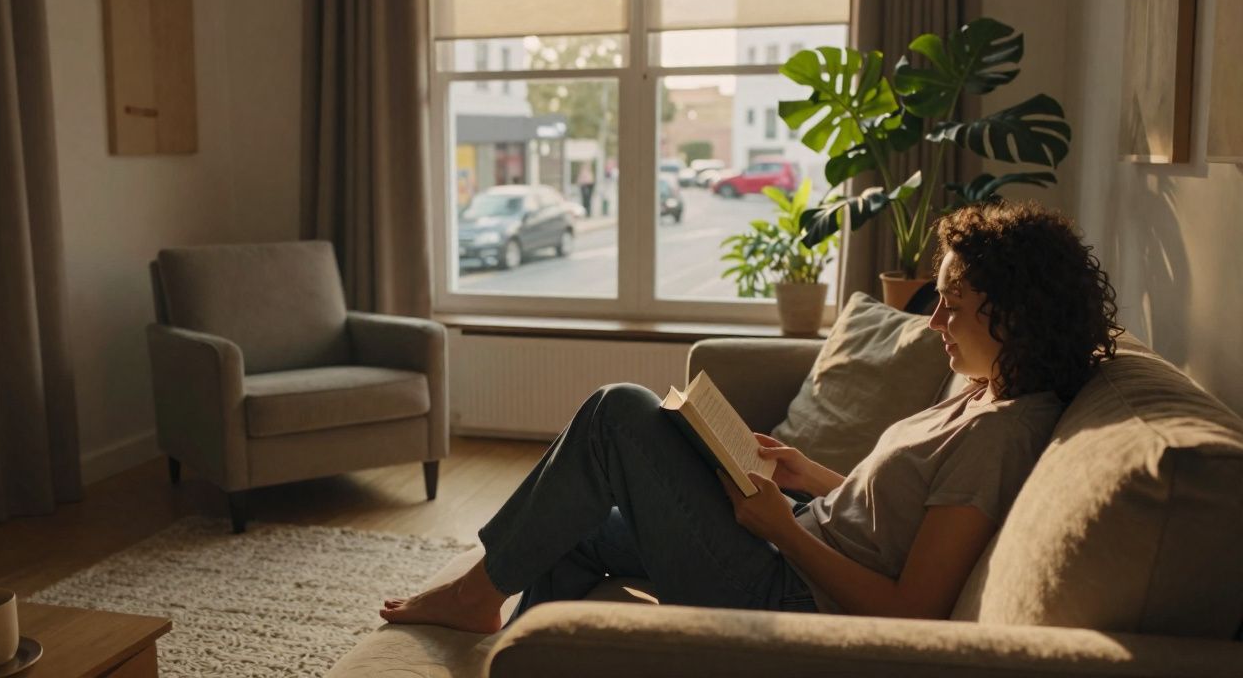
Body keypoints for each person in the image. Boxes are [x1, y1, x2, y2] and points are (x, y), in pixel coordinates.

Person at [381, 201, 1123, 632]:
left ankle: (475, 594)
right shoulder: (984, 387)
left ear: (1020, 315)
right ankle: (521, 648)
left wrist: (778, 528)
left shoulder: (1003, 432)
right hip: (794, 537)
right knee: (573, 528)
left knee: (618, 413)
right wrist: (808, 478)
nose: (934, 324)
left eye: (953, 305)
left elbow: (913, 606)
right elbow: (896, 515)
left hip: (790, 592)